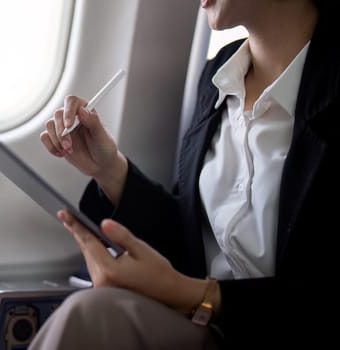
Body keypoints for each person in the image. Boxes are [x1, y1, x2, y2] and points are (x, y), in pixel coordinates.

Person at [30, 0, 338, 348]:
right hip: (214, 328)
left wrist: (194, 294)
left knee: (92, 314)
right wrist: (109, 168)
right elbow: (193, 240)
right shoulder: (218, 75)